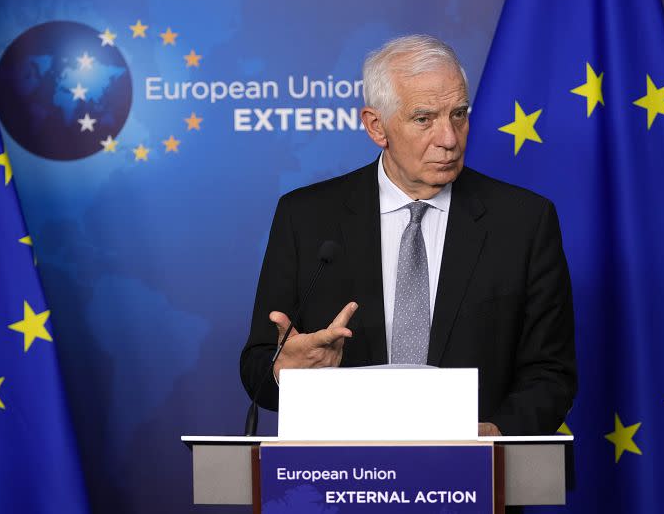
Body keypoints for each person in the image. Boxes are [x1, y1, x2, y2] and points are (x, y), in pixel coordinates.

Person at [239, 35, 577, 436]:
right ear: (376, 126)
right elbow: (258, 365)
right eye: (424, 118)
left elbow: (551, 372)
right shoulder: (306, 218)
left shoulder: (524, 221)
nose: (449, 139)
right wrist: (285, 373)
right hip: (337, 477)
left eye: (458, 114)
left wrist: (495, 436)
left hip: (477, 480)